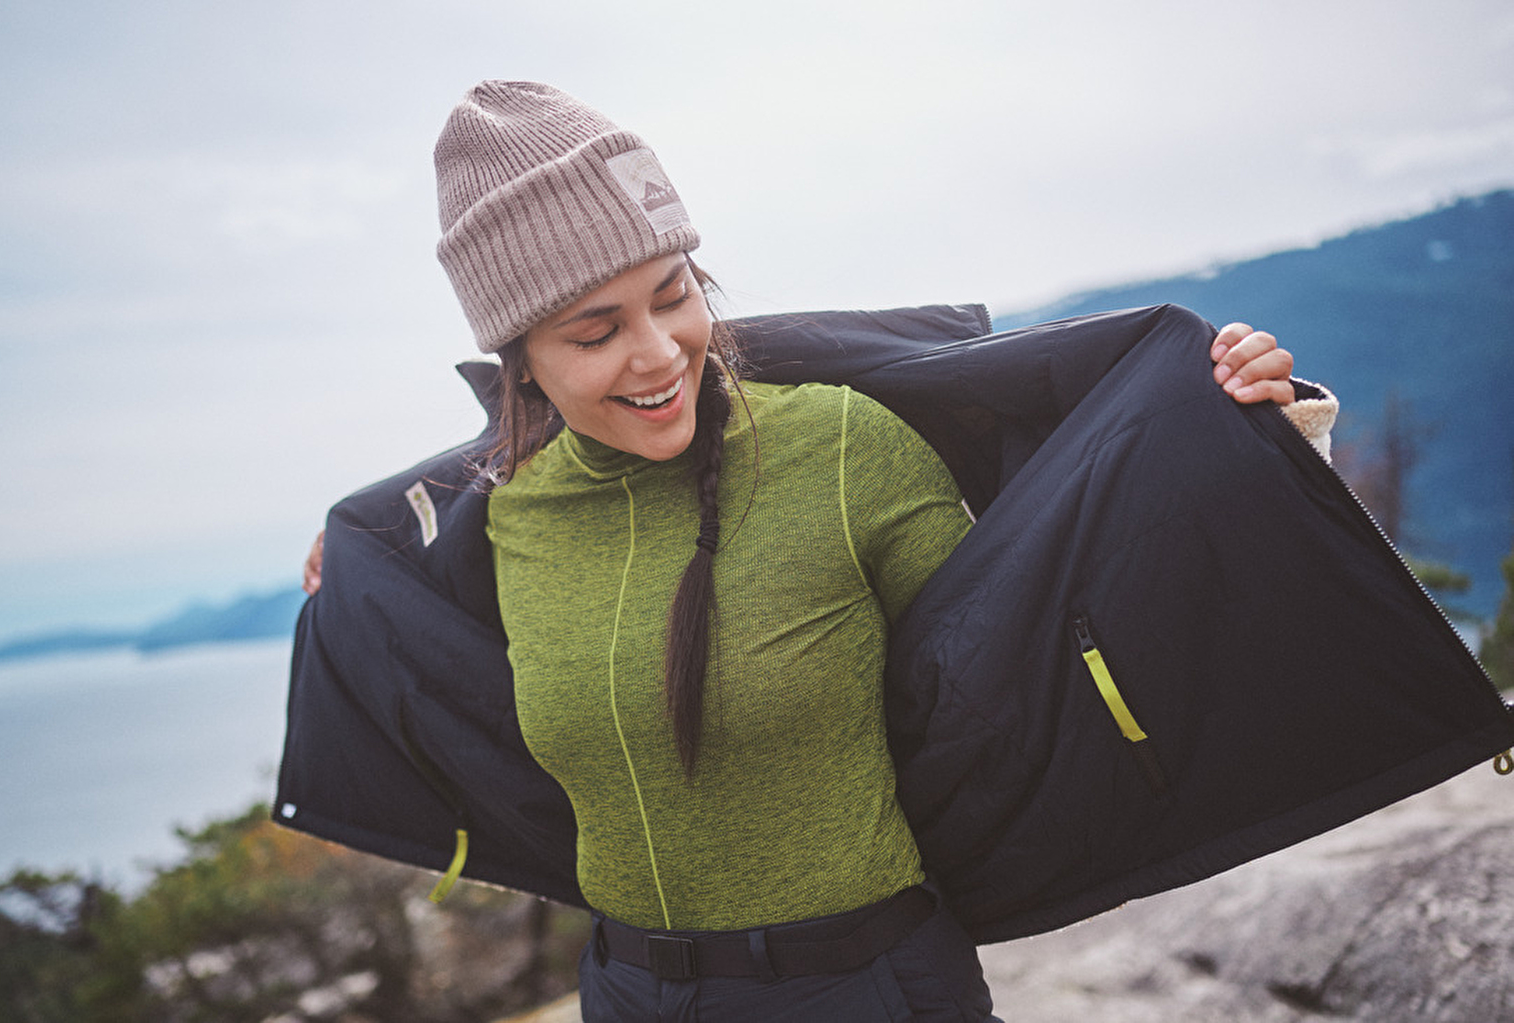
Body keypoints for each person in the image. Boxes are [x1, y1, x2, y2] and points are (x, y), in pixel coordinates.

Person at [291, 80, 1338, 1021]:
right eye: (595, 330)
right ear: (518, 358)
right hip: (625, 993)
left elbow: (1050, 617)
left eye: (672, 294)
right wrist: (350, 589)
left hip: (865, 988)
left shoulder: (838, 446)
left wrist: (1248, 442)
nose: (659, 354)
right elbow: (426, 651)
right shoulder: (507, 520)